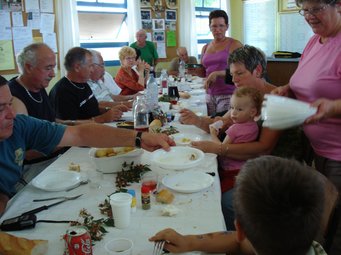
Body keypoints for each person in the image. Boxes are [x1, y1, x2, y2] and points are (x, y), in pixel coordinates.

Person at [0, 75, 175, 214]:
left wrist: (138, 138)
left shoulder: (20, 125)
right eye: (1, 108)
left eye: (10, 104)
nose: (12, 114)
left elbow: (80, 133)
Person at [180, 45, 281, 229]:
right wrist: (196, 120)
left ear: (257, 70)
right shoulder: (246, 95)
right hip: (247, 165)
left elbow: (264, 148)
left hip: (273, 171)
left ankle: (240, 242)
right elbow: (222, 122)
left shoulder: (275, 99)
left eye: (239, 74)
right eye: (232, 74)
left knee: (223, 199)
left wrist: (219, 148)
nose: (233, 80)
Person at [150, 156, 327, 255]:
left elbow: (241, 243)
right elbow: (241, 243)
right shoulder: (305, 244)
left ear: (239, 229)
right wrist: (189, 242)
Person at [272, 1, 341, 253]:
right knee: (321, 217)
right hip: (317, 149)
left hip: (338, 153)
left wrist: (333, 108)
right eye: (305, 10)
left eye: (317, 8)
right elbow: (304, 81)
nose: (310, 16)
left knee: (334, 227)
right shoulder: (315, 41)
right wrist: (288, 89)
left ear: (339, 5)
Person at [49, 47, 126, 123]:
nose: (92, 70)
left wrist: (109, 110)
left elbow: (91, 108)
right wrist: (102, 118)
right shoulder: (63, 92)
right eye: (90, 66)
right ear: (77, 67)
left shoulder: (83, 84)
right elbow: (69, 125)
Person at [210, 87, 262, 193]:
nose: (233, 112)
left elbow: (220, 149)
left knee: (217, 191)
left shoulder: (235, 129)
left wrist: (213, 134)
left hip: (230, 171)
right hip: (245, 168)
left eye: (239, 109)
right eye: (232, 107)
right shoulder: (254, 126)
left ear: (252, 112)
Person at [201, 10, 242, 116]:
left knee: (221, 127)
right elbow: (204, 71)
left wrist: (218, 73)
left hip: (228, 94)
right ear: (210, 27)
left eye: (221, 26)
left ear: (227, 27)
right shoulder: (205, 47)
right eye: (214, 26)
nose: (218, 30)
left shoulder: (235, 45)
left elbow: (243, 70)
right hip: (209, 94)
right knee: (210, 127)